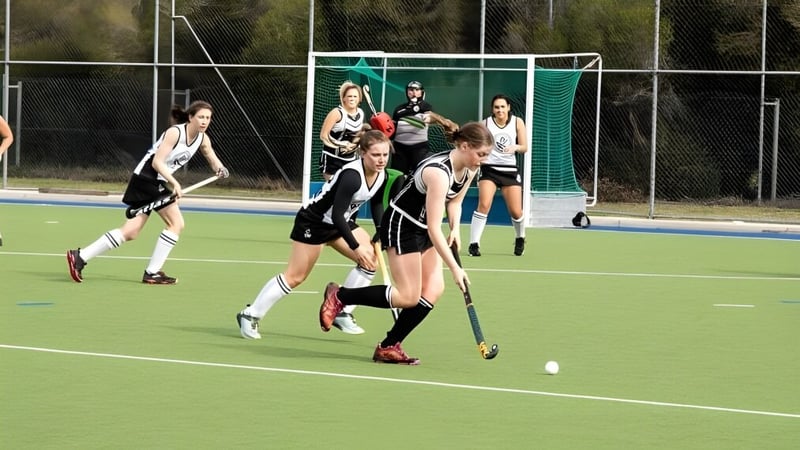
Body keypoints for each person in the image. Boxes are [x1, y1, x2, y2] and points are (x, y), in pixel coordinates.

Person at [318, 122, 494, 364]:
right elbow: (434, 228)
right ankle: (341, 296)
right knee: (408, 296)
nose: (483, 160)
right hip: (403, 225)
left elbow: (454, 203)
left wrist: (455, 229)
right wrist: (455, 267)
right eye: (481, 154)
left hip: (421, 228)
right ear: (464, 146)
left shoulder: (470, 167)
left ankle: (388, 346)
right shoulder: (438, 173)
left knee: (433, 290)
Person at [236, 130, 397, 338]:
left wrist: (381, 229)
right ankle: (250, 315)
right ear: (363, 153)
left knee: (370, 261)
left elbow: (376, 202)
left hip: (340, 223)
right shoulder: (351, 176)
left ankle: (341, 310)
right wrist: (356, 248)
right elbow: (337, 215)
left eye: (385, 155)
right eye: (376, 155)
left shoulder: (381, 174)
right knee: (296, 276)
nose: (381, 160)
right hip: (314, 221)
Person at [66, 101, 229, 284]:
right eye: (200, 117)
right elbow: (157, 163)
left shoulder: (202, 138)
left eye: (207, 118)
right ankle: (152, 272)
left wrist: (220, 168)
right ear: (191, 117)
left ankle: (80, 256)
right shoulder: (175, 133)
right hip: (146, 178)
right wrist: (175, 183)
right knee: (176, 223)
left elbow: (211, 157)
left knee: (130, 231)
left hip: (155, 181)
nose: (204, 121)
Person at [468, 94, 529, 257]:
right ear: (492, 110)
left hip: (509, 171)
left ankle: (520, 237)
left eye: (502, 107)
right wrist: (479, 157)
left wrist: (515, 147)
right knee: (484, 205)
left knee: (516, 211)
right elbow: (477, 145)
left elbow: (525, 147)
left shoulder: (517, 122)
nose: (500, 110)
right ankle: (474, 244)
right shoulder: (485, 123)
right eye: (496, 107)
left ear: (508, 107)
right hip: (490, 170)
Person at [390, 80, 459, 175]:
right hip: (399, 149)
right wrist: (389, 142)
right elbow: (392, 128)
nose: (414, 92)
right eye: (411, 90)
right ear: (407, 92)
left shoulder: (426, 107)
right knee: (397, 175)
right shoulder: (399, 109)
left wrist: (438, 120)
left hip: (419, 148)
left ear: (422, 92)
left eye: (417, 90)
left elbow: (431, 117)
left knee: (420, 174)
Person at [319, 81, 367, 182]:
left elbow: (357, 135)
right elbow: (323, 136)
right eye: (349, 96)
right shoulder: (336, 113)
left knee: (350, 188)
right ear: (343, 98)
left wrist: (357, 145)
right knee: (333, 188)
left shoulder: (361, 113)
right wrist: (341, 145)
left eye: (355, 96)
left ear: (359, 99)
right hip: (332, 158)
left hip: (351, 159)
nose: (352, 99)